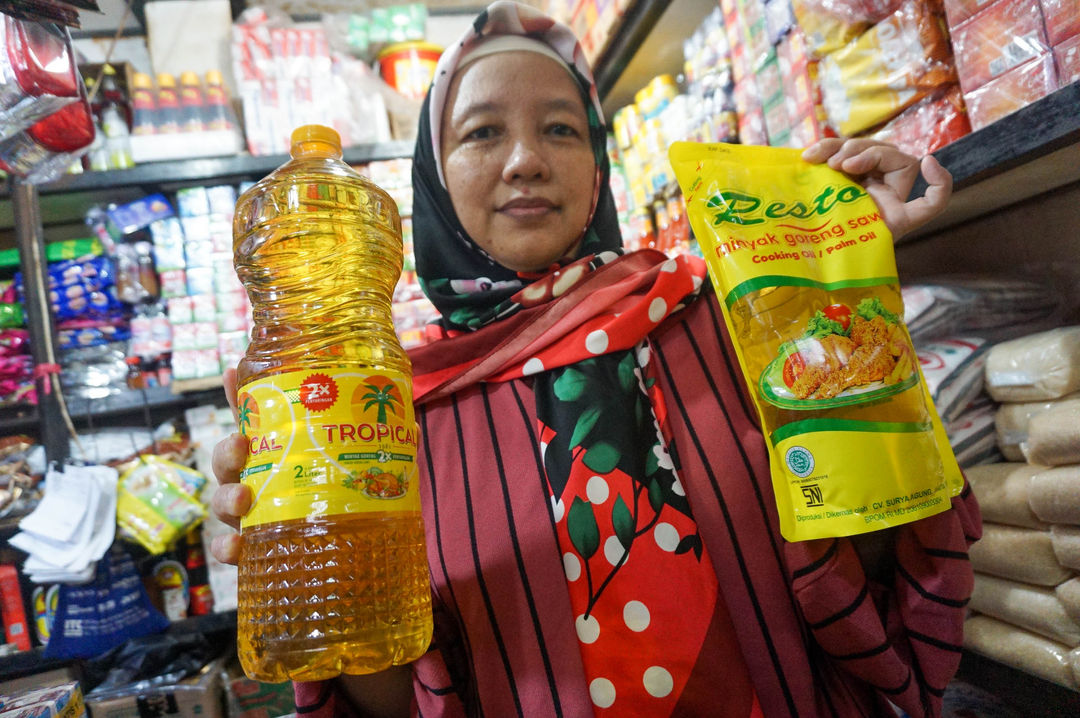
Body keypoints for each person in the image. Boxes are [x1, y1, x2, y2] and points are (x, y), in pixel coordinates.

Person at [211, 3, 979, 716]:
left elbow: (875, 560)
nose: (525, 161)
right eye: (481, 133)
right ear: (433, 177)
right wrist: (311, 556)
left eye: (561, 129)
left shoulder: (727, 321)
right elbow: (399, 699)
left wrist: (837, 275)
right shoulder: (390, 417)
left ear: (599, 162)